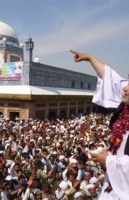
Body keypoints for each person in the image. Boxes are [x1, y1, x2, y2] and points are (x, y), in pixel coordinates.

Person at [70, 50, 129, 200]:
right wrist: (90, 58)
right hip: (112, 184)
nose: (125, 88)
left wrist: (109, 160)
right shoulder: (126, 105)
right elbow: (112, 78)